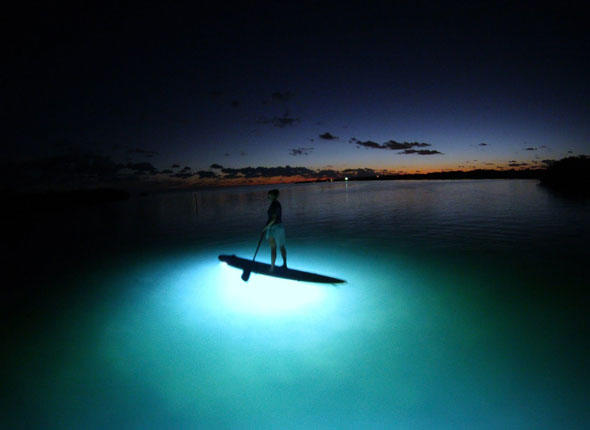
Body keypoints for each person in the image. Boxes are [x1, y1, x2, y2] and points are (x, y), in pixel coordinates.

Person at [263, 189, 287, 271]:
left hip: (275, 228)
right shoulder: (275, 204)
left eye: (269, 195)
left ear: (274, 195)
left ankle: (274, 267)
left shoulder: (275, 205)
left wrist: (266, 227)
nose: (268, 196)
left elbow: (273, 219)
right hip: (276, 227)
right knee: (278, 247)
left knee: (276, 247)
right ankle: (281, 265)